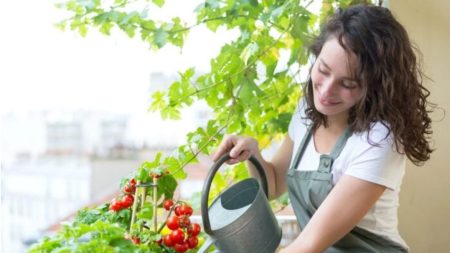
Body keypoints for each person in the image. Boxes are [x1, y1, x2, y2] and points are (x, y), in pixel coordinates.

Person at [212, 4, 434, 253]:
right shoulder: (307, 112)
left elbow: (309, 245)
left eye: (348, 83)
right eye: (323, 70)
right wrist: (252, 153)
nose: (327, 91)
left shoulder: (380, 139)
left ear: (374, 85)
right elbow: (273, 185)